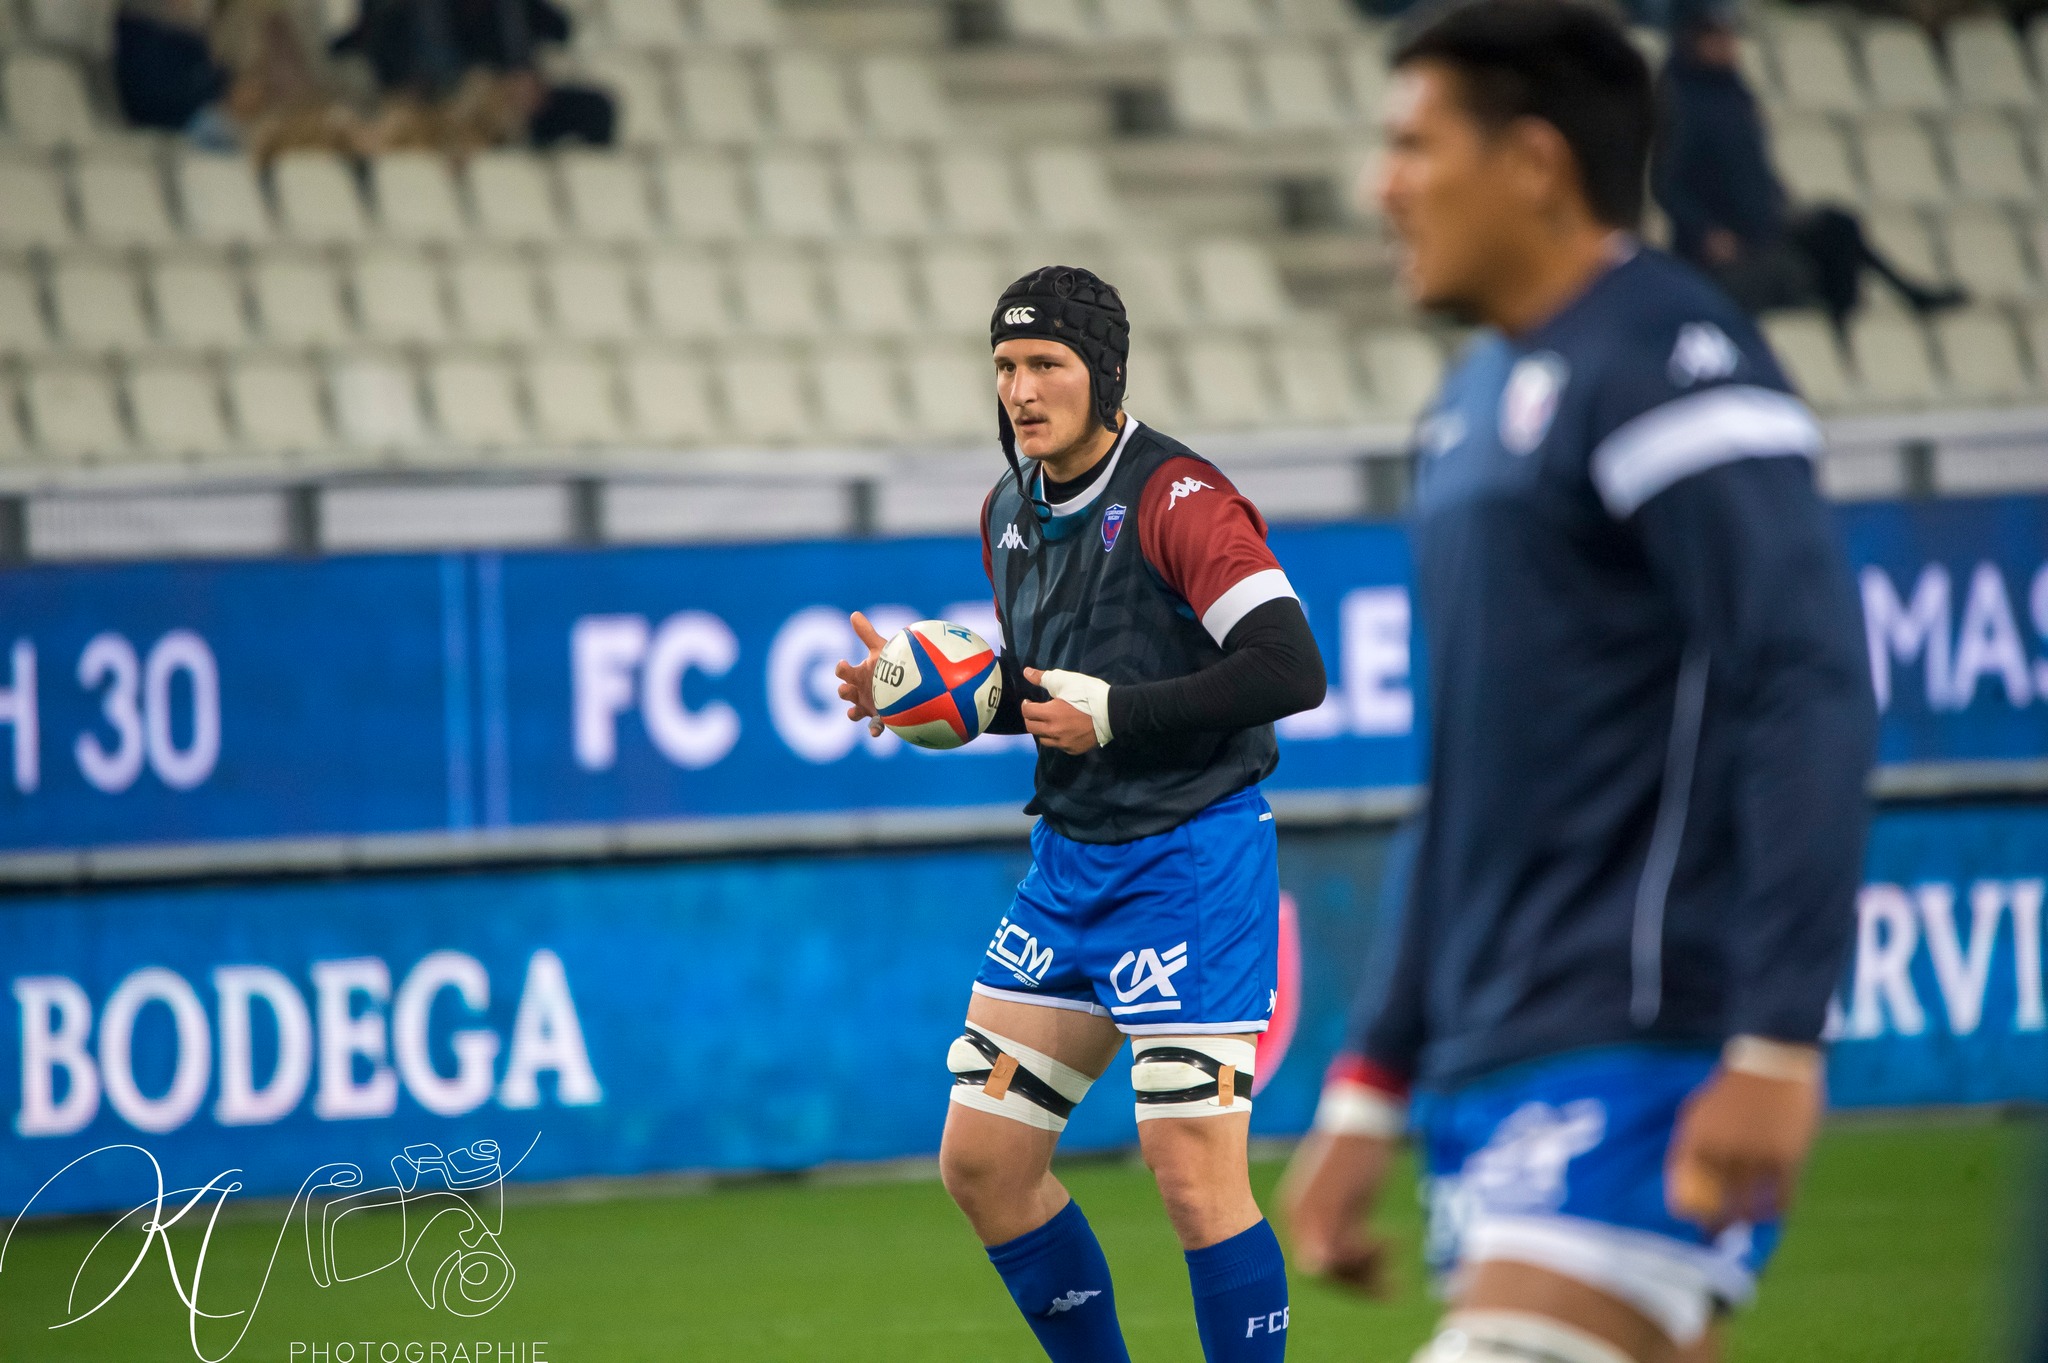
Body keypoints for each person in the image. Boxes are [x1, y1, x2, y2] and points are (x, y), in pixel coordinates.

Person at [1278, 5, 1877, 1363]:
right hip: (1503, 1050)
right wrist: (1376, 1076)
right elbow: (1474, 768)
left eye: (1414, 145)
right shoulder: (1469, 409)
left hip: (1640, 1029)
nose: (1384, 184)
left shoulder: (1667, 361)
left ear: (1534, 163)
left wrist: (1778, 1036)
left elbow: (1805, 680)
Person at [835, 266, 1328, 1363]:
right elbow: (1049, 694)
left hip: (1189, 858)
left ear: (1103, 375)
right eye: (1006, 365)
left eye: (1046, 363)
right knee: (982, 1167)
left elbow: (1291, 666)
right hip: (1068, 867)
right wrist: (930, 696)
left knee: (1194, 1181)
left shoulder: (1179, 497)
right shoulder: (1006, 509)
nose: (1020, 387)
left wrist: (1120, 715)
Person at [1653, 0, 1964, 333]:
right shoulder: (1680, 101)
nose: (1730, 43)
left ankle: (1857, 327)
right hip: (1724, 252)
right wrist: (1705, 233)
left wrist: (1778, 200)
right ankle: (1856, 323)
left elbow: (1753, 169)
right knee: (1786, 271)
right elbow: (1666, 183)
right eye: (1718, 35)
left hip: (1763, 229)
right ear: (1692, 38)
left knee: (1837, 228)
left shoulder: (1734, 93)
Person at [334, 0, 614, 152]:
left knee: (596, 109)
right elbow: (372, 44)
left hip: (506, 98)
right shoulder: (405, 12)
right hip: (436, 100)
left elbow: (559, 29)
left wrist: (527, 79)